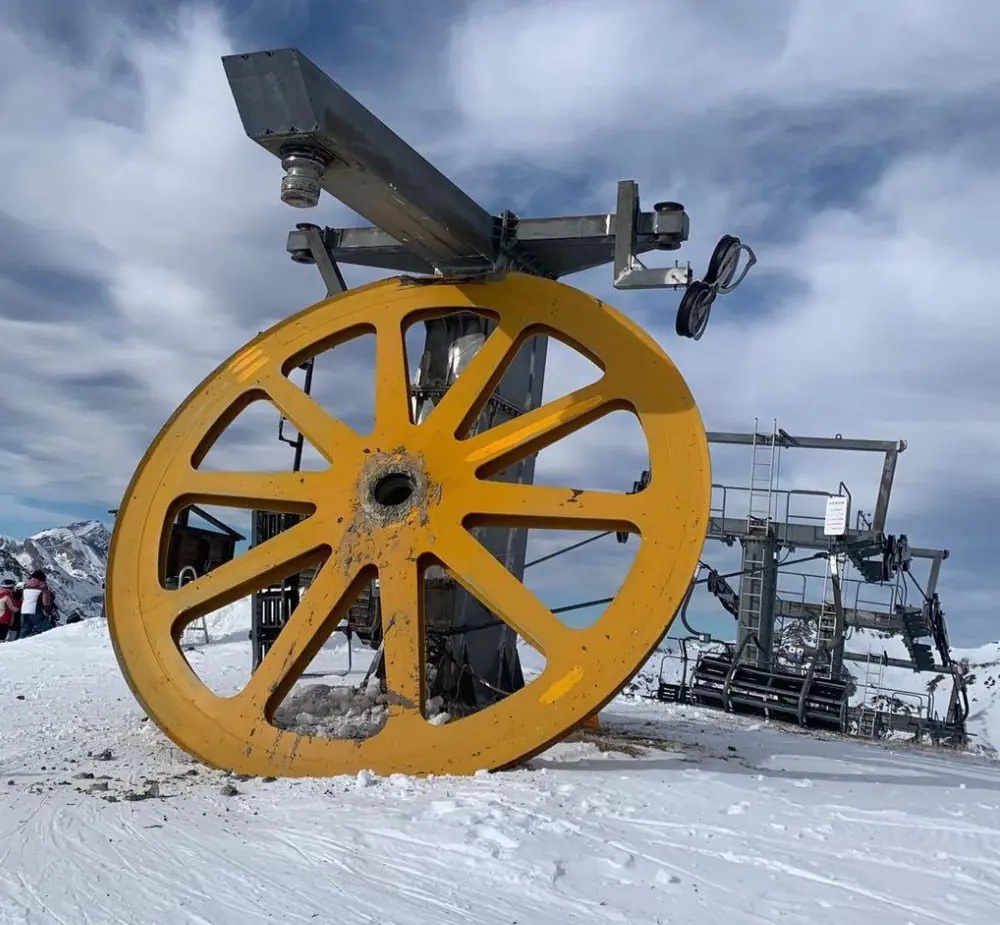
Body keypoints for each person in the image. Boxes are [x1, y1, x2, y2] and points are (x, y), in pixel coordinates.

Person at [19, 569, 55, 637]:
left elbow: (23, 599)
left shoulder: (26, 587)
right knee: (46, 629)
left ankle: (18, 644)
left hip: (24, 611)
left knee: (25, 629)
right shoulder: (42, 587)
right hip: (36, 611)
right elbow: (45, 600)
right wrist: (48, 610)